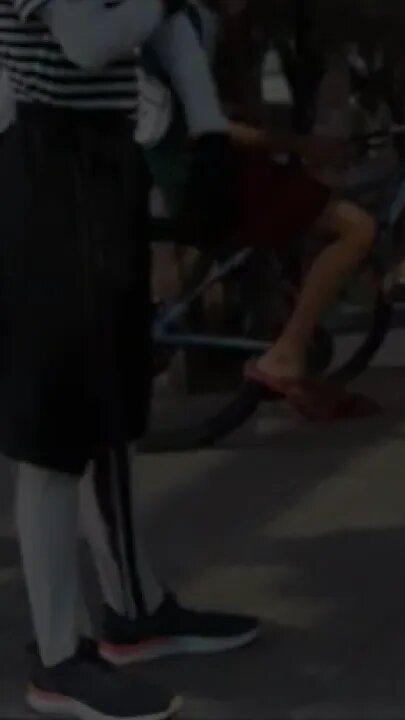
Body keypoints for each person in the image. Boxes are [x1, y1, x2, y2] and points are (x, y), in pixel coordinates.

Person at [0, 1, 260, 718]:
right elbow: (87, 41)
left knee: (107, 408)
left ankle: (135, 611)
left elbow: (170, 31)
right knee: (51, 433)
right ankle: (57, 658)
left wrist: (208, 135)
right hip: (45, 170)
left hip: (101, 163)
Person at [152, 0, 380, 421]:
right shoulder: (186, 24)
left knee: (303, 233)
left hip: (215, 166)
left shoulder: (205, 22)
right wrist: (296, 143)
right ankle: (287, 354)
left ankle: (296, 359)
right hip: (211, 172)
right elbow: (203, 122)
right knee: (355, 229)